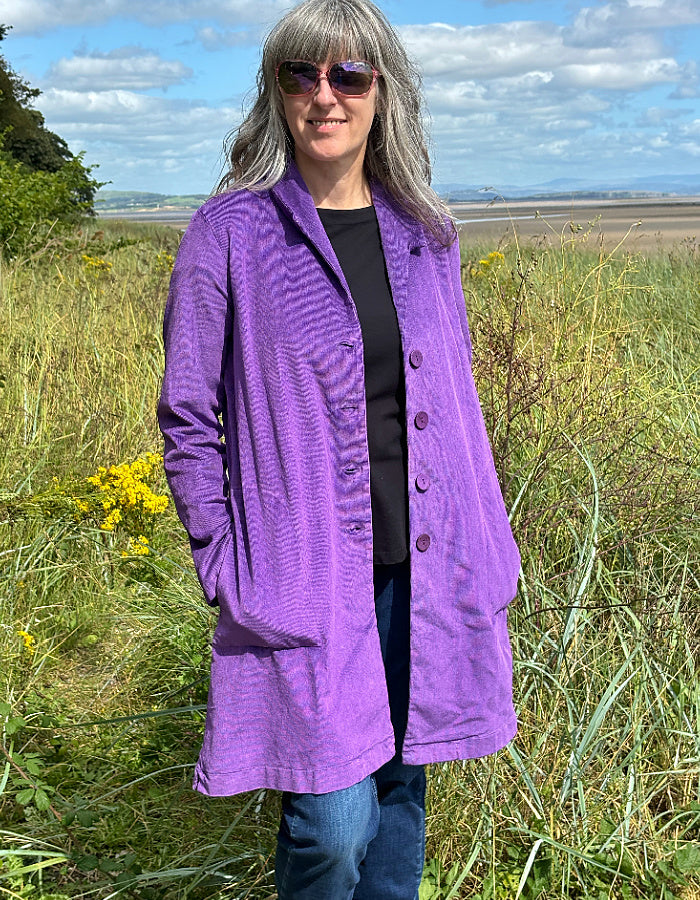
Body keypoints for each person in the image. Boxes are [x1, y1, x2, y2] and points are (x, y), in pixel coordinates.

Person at [157, 0, 520, 896]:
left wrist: (491, 541)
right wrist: (224, 562)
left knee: (401, 792)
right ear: (275, 93)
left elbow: (455, 404)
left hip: (429, 566)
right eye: (301, 74)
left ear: (382, 91)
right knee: (332, 823)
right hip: (303, 575)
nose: (325, 94)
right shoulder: (232, 234)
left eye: (348, 74)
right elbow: (187, 416)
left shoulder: (425, 234)